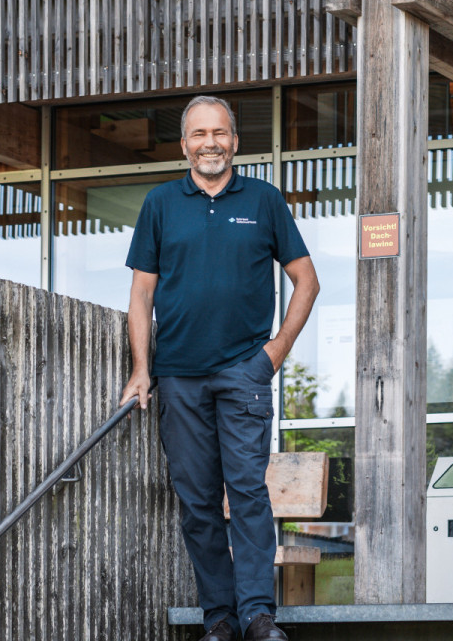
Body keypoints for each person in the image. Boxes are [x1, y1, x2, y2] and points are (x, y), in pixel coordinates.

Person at [120, 95, 320, 641]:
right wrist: (142, 369)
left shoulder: (264, 200)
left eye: (220, 133)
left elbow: (307, 282)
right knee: (198, 501)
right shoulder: (161, 203)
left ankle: (258, 615)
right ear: (185, 144)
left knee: (248, 493)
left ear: (235, 140)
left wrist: (272, 354)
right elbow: (141, 294)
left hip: (242, 373)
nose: (211, 143)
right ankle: (219, 618)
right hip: (178, 376)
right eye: (199, 134)